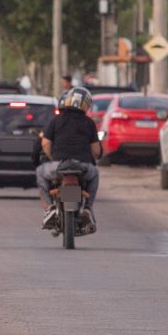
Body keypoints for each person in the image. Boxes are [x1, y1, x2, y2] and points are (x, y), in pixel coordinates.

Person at [37, 86, 101, 231]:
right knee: (95, 173)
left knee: (40, 172)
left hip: (59, 165)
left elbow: (45, 144)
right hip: (82, 166)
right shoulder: (89, 123)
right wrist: (91, 158)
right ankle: (88, 208)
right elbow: (96, 151)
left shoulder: (56, 120)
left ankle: (50, 208)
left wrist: (53, 159)